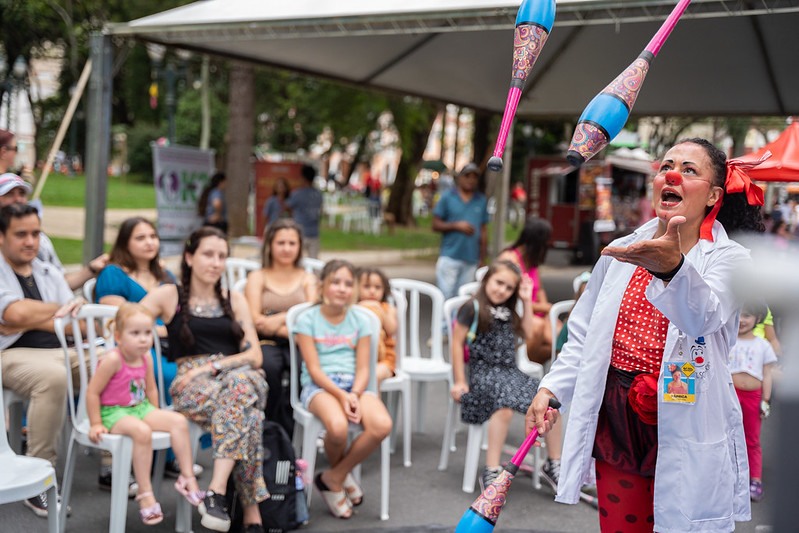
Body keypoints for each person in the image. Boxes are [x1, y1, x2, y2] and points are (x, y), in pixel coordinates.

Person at [527, 138, 764, 533]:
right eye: (667, 166)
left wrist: (674, 269)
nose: (671, 174)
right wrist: (552, 389)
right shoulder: (623, 250)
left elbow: (704, 318)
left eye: (690, 170)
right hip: (618, 417)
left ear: (713, 195)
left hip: (687, 415)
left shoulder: (731, 259)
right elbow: (584, 335)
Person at [141, 227, 267, 532]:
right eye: (208, 254)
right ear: (189, 257)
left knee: (239, 387)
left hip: (237, 375)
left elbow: (255, 356)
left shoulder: (234, 299)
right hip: (192, 384)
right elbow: (124, 321)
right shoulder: (169, 295)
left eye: (222, 256)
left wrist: (211, 368)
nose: (216, 262)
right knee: (247, 415)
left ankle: (217, 492)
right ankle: (251, 513)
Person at [95, 216, 202, 486]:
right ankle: (119, 463)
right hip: (132, 350)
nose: (149, 242)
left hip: (166, 345)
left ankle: (166, 455)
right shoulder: (113, 273)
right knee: (165, 374)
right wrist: (162, 328)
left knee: (193, 373)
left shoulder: (165, 276)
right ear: (125, 242)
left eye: (153, 236)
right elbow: (116, 318)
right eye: (140, 237)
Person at [0, 203, 86, 517]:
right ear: (1, 236)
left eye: (36, 233)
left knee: (115, 358)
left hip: (63, 350)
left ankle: (112, 462)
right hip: (10, 355)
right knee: (53, 377)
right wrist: (58, 310)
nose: (30, 241)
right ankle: (40, 480)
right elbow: (14, 313)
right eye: (20, 234)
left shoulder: (47, 270)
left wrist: (27, 316)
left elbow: (81, 322)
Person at [86, 303, 204, 526]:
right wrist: (95, 423)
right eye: (135, 333)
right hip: (113, 412)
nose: (143, 339)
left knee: (178, 421)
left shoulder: (146, 357)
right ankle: (145, 492)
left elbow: (150, 388)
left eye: (147, 333)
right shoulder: (113, 359)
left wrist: (156, 412)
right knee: (142, 432)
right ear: (118, 337)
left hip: (140, 408)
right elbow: (92, 392)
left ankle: (187, 478)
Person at [294, 260, 392, 519]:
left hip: (356, 386)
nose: (342, 288)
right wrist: (342, 396)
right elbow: (314, 370)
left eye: (349, 284)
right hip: (320, 386)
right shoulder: (307, 320)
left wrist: (355, 394)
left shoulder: (361, 319)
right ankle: (340, 478)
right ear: (322, 285)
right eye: (336, 282)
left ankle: (333, 477)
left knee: (381, 425)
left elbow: (363, 369)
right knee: (337, 428)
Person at [449, 260, 538, 491]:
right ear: (487, 279)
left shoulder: (509, 310)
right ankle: (491, 468)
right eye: (499, 283)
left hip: (510, 373)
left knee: (547, 399)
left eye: (509, 288)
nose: (502, 290)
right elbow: (456, 344)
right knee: (504, 404)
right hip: (482, 376)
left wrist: (527, 301)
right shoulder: (472, 308)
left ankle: (553, 463)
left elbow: (528, 333)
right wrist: (459, 380)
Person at [245, 218, 317, 436]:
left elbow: (313, 316)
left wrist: (275, 318)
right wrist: (291, 319)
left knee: (304, 367)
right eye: (281, 243)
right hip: (267, 340)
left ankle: (297, 429)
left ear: (299, 247)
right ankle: (272, 430)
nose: (286, 248)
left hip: (300, 339)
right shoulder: (258, 277)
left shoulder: (308, 278)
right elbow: (254, 319)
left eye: (292, 243)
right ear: (270, 245)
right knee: (269, 368)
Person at [0, 170, 108, 290]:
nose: (18, 200)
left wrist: (91, 269)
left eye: (21, 194)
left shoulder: (42, 242)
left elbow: (59, 284)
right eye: (9, 194)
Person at [729, 301, 778, 502]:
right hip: (730, 395)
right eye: (738, 314)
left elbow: (767, 375)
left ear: (758, 319)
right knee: (728, 437)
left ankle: (755, 480)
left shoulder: (763, 345)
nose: (742, 320)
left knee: (752, 440)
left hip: (753, 397)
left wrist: (765, 400)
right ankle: (730, 479)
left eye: (747, 315)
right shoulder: (728, 340)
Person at [432, 162, 489, 333]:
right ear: (459, 178)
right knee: (446, 295)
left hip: (471, 258)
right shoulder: (448, 197)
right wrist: (457, 225)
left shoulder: (481, 200)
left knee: (463, 297)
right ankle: (442, 331)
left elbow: (484, 231)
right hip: (450, 255)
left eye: (474, 177)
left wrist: (482, 258)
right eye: (467, 176)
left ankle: (457, 331)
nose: (470, 180)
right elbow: (435, 224)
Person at [497, 217, 556, 364]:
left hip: (535, 312)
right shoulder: (510, 258)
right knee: (540, 328)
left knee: (559, 337)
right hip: (519, 312)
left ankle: (539, 374)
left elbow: (540, 289)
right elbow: (511, 297)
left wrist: (546, 311)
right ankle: (520, 366)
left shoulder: (532, 260)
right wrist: (545, 307)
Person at [357, 267, 397, 385]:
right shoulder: (354, 308)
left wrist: (379, 309)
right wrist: (361, 306)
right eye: (367, 286)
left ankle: (373, 402)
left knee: (373, 376)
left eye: (377, 287)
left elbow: (391, 329)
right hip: (358, 359)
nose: (372, 291)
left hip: (384, 360)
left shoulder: (388, 309)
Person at [286, 165, 323, 258]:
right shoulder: (318, 194)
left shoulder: (297, 194)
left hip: (299, 231)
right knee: (314, 261)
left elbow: (287, 206)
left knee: (296, 260)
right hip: (314, 231)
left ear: (303, 178)